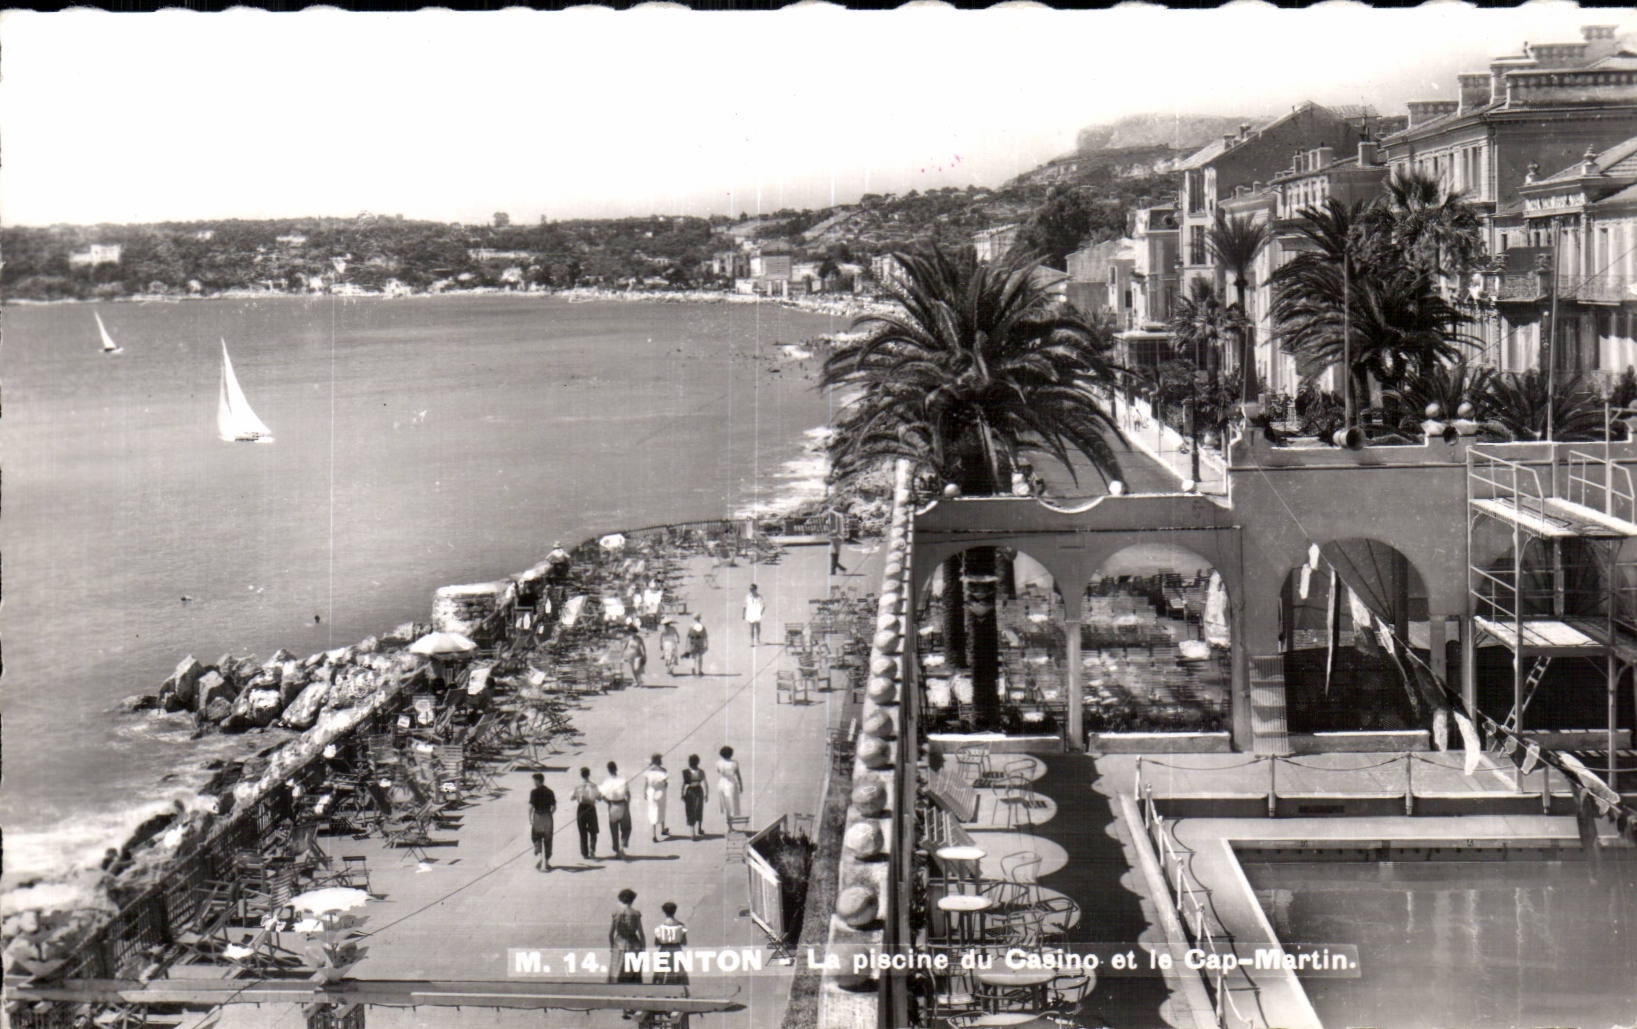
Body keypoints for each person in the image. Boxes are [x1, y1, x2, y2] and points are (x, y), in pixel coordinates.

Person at [608, 888, 645, 1012]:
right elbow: (641, 933)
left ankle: (624, 1006)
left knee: (620, 975)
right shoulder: (636, 914)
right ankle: (632, 1004)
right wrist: (643, 948)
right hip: (634, 945)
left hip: (619, 945)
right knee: (634, 976)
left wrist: (612, 946)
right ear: (633, 900)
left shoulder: (616, 913)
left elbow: (610, 933)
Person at [599, 761, 633, 858]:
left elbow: (602, 795)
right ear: (616, 769)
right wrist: (627, 804)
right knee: (626, 828)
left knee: (614, 829)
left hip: (612, 805)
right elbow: (628, 795)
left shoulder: (606, 782)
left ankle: (617, 850)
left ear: (608, 770)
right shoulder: (623, 780)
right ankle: (622, 846)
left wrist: (608, 802)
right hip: (622, 804)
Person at [653, 902, 688, 986]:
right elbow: (684, 942)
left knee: (661, 972)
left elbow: (656, 943)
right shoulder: (681, 926)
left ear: (664, 912)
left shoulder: (659, 928)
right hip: (677, 949)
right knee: (678, 971)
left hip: (664, 949)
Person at [571, 766, 602, 860]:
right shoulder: (593, 785)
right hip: (591, 808)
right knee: (593, 831)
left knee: (582, 831)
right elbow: (599, 798)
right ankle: (592, 849)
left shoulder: (578, 786)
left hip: (581, 808)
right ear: (589, 774)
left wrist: (578, 796)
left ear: (581, 775)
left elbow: (572, 797)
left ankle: (584, 853)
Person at [528, 772, 556, 872]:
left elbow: (531, 807)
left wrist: (530, 818)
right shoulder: (550, 791)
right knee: (548, 839)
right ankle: (546, 861)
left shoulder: (534, 792)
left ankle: (540, 855)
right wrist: (549, 814)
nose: (533, 782)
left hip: (538, 816)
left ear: (538, 781)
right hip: (547, 816)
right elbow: (554, 807)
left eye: (534, 781)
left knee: (536, 836)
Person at [642, 755, 670, 842]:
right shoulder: (663, 770)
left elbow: (646, 783)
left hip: (651, 792)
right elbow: (665, 783)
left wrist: (645, 792)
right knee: (662, 809)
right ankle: (663, 828)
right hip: (660, 792)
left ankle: (654, 834)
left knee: (652, 811)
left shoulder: (648, 771)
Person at [681, 754, 709, 839]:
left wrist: (682, 794)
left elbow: (683, 784)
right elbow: (705, 783)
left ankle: (695, 830)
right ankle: (695, 830)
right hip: (696, 791)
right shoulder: (700, 771)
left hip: (692, 791)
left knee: (694, 810)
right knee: (696, 810)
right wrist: (707, 794)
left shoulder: (688, 771)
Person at [716, 745, 744, 822]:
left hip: (722, 782)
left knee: (725, 802)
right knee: (732, 802)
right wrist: (741, 785)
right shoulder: (734, 763)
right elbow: (738, 774)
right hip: (731, 783)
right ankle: (730, 821)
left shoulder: (718, 763)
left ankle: (728, 820)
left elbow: (718, 771)